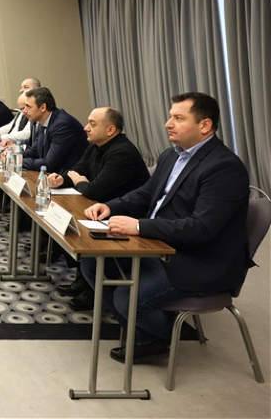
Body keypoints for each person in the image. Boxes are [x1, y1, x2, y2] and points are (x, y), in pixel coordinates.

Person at [82, 92, 250, 364]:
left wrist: (139, 226)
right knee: (92, 265)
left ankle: (163, 335)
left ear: (205, 125)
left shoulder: (224, 168)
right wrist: (110, 206)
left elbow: (201, 229)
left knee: (126, 297)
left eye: (178, 118)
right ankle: (147, 334)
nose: (167, 124)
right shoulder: (171, 155)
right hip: (159, 245)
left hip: (200, 261)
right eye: (170, 116)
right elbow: (146, 194)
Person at [46, 107, 150, 310]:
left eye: (92, 124)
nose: (86, 128)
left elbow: (95, 190)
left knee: (75, 227)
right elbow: (78, 171)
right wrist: (62, 179)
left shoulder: (122, 153)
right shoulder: (96, 145)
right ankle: (83, 280)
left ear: (110, 130)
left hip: (123, 215)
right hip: (100, 208)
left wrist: (80, 182)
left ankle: (94, 291)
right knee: (64, 223)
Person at [17, 87, 87, 172]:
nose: (24, 111)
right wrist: (14, 156)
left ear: (43, 108)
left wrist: (19, 161)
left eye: (28, 107)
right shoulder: (43, 121)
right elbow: (35, 150)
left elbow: (49, 164)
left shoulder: (62, 125)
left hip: (68, 176)